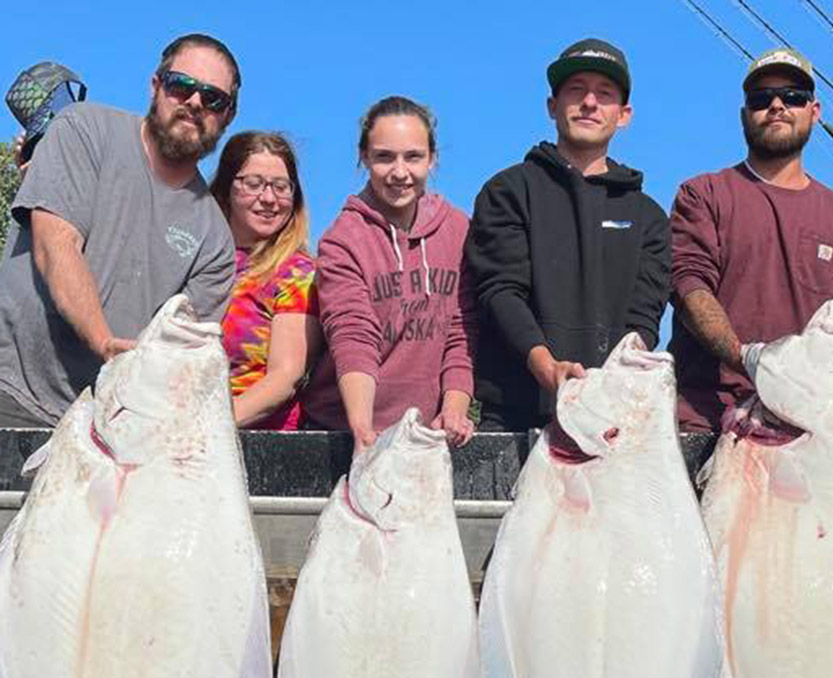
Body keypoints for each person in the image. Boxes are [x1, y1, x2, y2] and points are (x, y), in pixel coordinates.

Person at [0, 33, 240, 427]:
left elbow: (179, 353)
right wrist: (103, 343)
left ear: (227, 116)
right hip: (11, 390)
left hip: (108, 428)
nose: (195, 102)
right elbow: (56, 244)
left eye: (213, 98)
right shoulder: (84, 129)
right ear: (156, 86)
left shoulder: (215, 242)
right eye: (182, 86)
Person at [464, 38, 671, 431]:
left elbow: (645, 317)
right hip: (512, 419)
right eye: (576, 90)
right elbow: (500, 290)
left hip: (612, 423)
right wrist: (545, 366)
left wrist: (609, 386)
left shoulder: (649, 217)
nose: (589, 102)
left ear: (624, 114)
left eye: (604, 93)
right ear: (552, 106)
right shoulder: (507, 191)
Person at [669, 47, 833, 433]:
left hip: (803, 427)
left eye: (793, 97)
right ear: (745, 114)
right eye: (761, 99)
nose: (777, 105)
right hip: (705, 421)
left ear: (815, 111)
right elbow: (689, 286)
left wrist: (788, 391)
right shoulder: (702, 195)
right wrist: (747, 358)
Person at [302, 96, 476, 452]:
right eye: (384, 157)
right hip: (343, 432)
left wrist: (454, 410)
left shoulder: (458, 230)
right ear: (364, 157)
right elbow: (353, 334)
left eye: (413, 156)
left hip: (421, 437)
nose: (400, 172)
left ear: (432, 158)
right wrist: (362, 430)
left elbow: (460, 333)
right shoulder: (342, 239)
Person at [210, 132, 322, 429]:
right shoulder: (194, 258)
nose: (269, 198)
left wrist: (209, 427)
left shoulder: (297, 273)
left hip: (255, 444)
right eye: (254, 184)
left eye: (281, 187)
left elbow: (284, 378)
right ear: (225, 188)